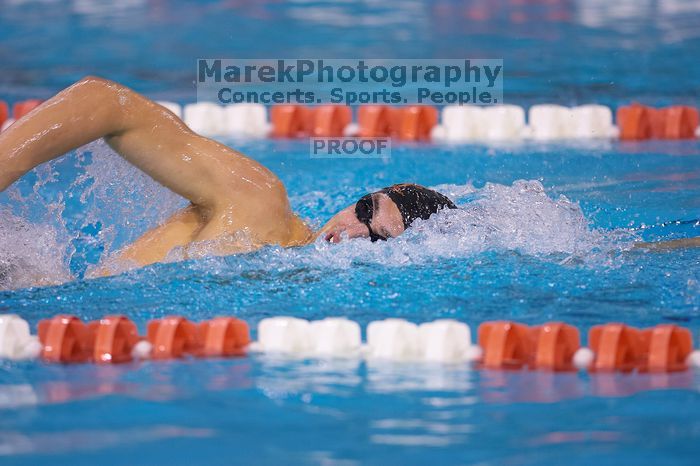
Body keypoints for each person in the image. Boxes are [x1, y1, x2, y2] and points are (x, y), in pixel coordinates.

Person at [0, 77, 696, 275]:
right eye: (365, 209)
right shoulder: (260, 207)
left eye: (378, 239)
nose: (350, 235)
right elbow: (105, 100)